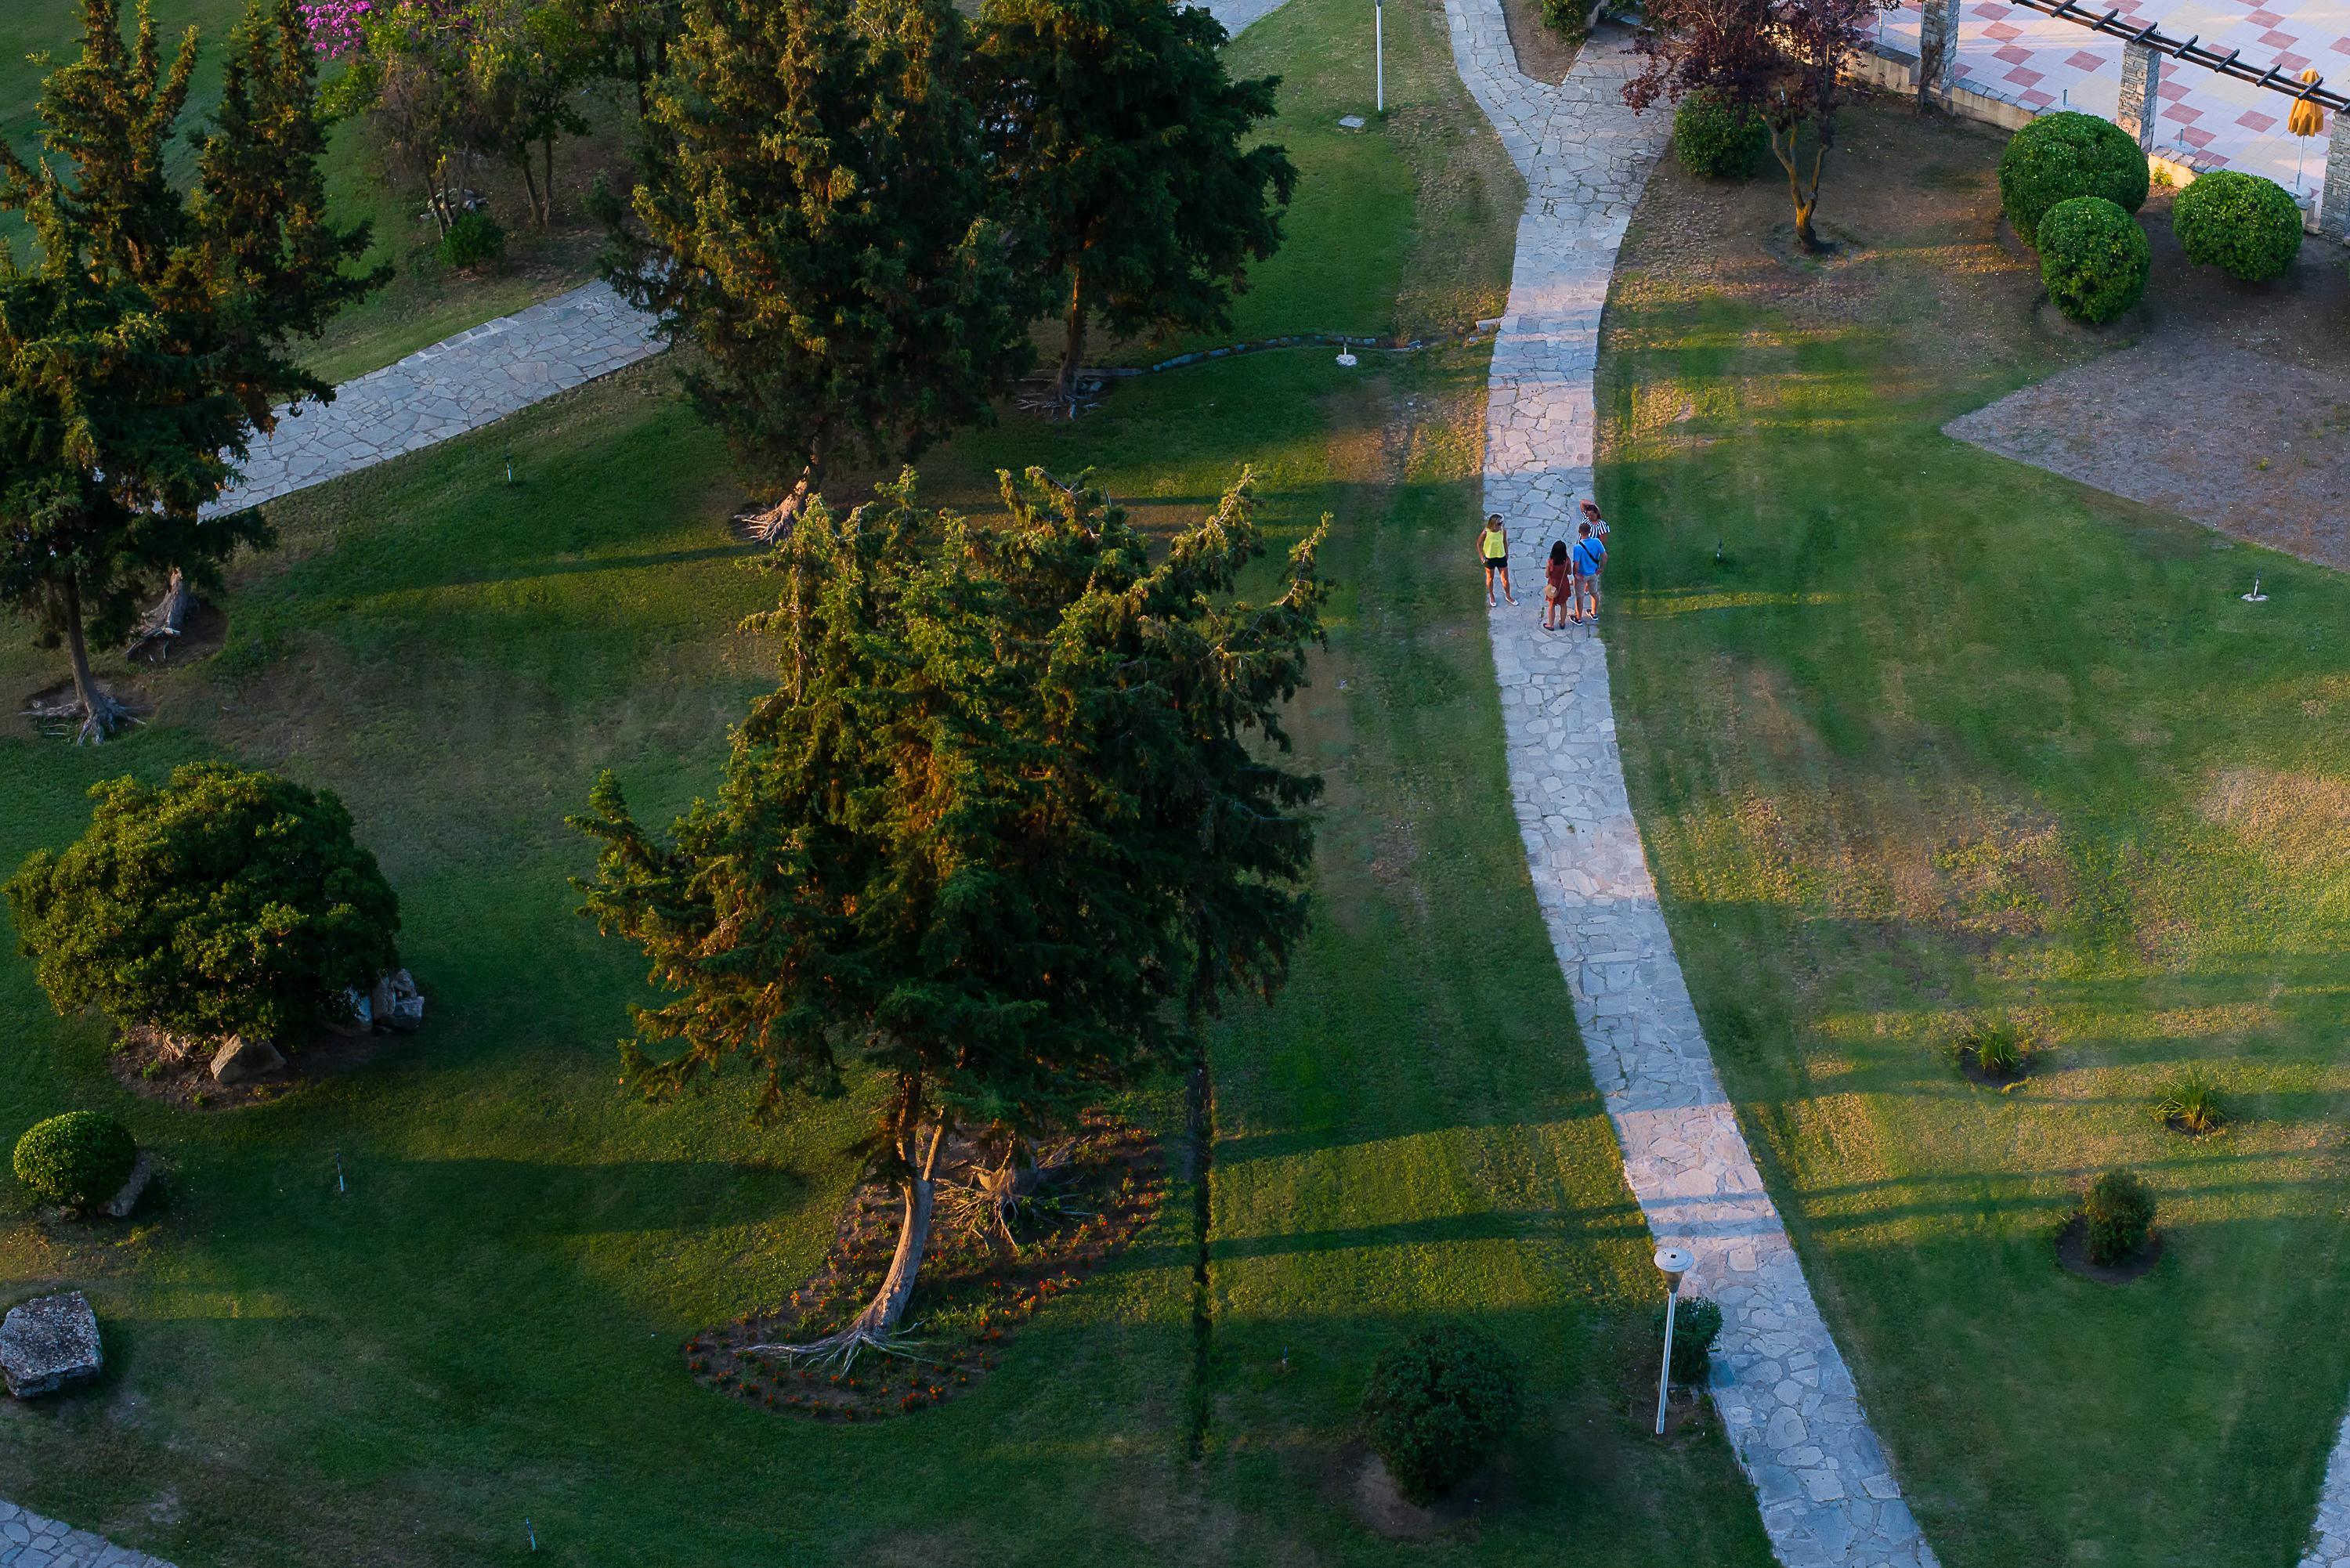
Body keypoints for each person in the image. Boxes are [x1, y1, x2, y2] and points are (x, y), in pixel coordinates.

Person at [1571, 519, 1606, 624]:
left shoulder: (1578, 547)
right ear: (1590, 531)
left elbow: (1576, 564)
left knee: (1580, 596)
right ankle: (1594, 613)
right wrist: (1601, 568)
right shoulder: (1597, 542)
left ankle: (1578, 618)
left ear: (1579, 532)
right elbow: (1605, 556)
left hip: (1582, 575)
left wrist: (1575, 574)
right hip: (1594, 573)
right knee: (1594, 593)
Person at [1476, 514, 1514, 606]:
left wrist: (1507, 553)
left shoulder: (1503, 531)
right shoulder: (1486, 532)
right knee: (1490, 578)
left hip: (1501, 557)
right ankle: (1491, 596)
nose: (1501, 525)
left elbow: (1505, 542)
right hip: (1489, 558)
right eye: (1499, 523)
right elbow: (1478, 544)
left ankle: (1508, 596)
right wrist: (1482, 557)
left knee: (1505, 579)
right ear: (1493, 524)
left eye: (1501, 523)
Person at [1543, 540, 1571, 630]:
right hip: (1564, 584)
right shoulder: (1567, 561)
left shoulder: (1551, 562)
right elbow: (1570, 572)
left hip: (1553, 584)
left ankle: (1551, 625)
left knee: (1552, 605)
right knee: (1563, 604)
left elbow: (1547, 575)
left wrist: (1547, 567)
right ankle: (1562, 623)